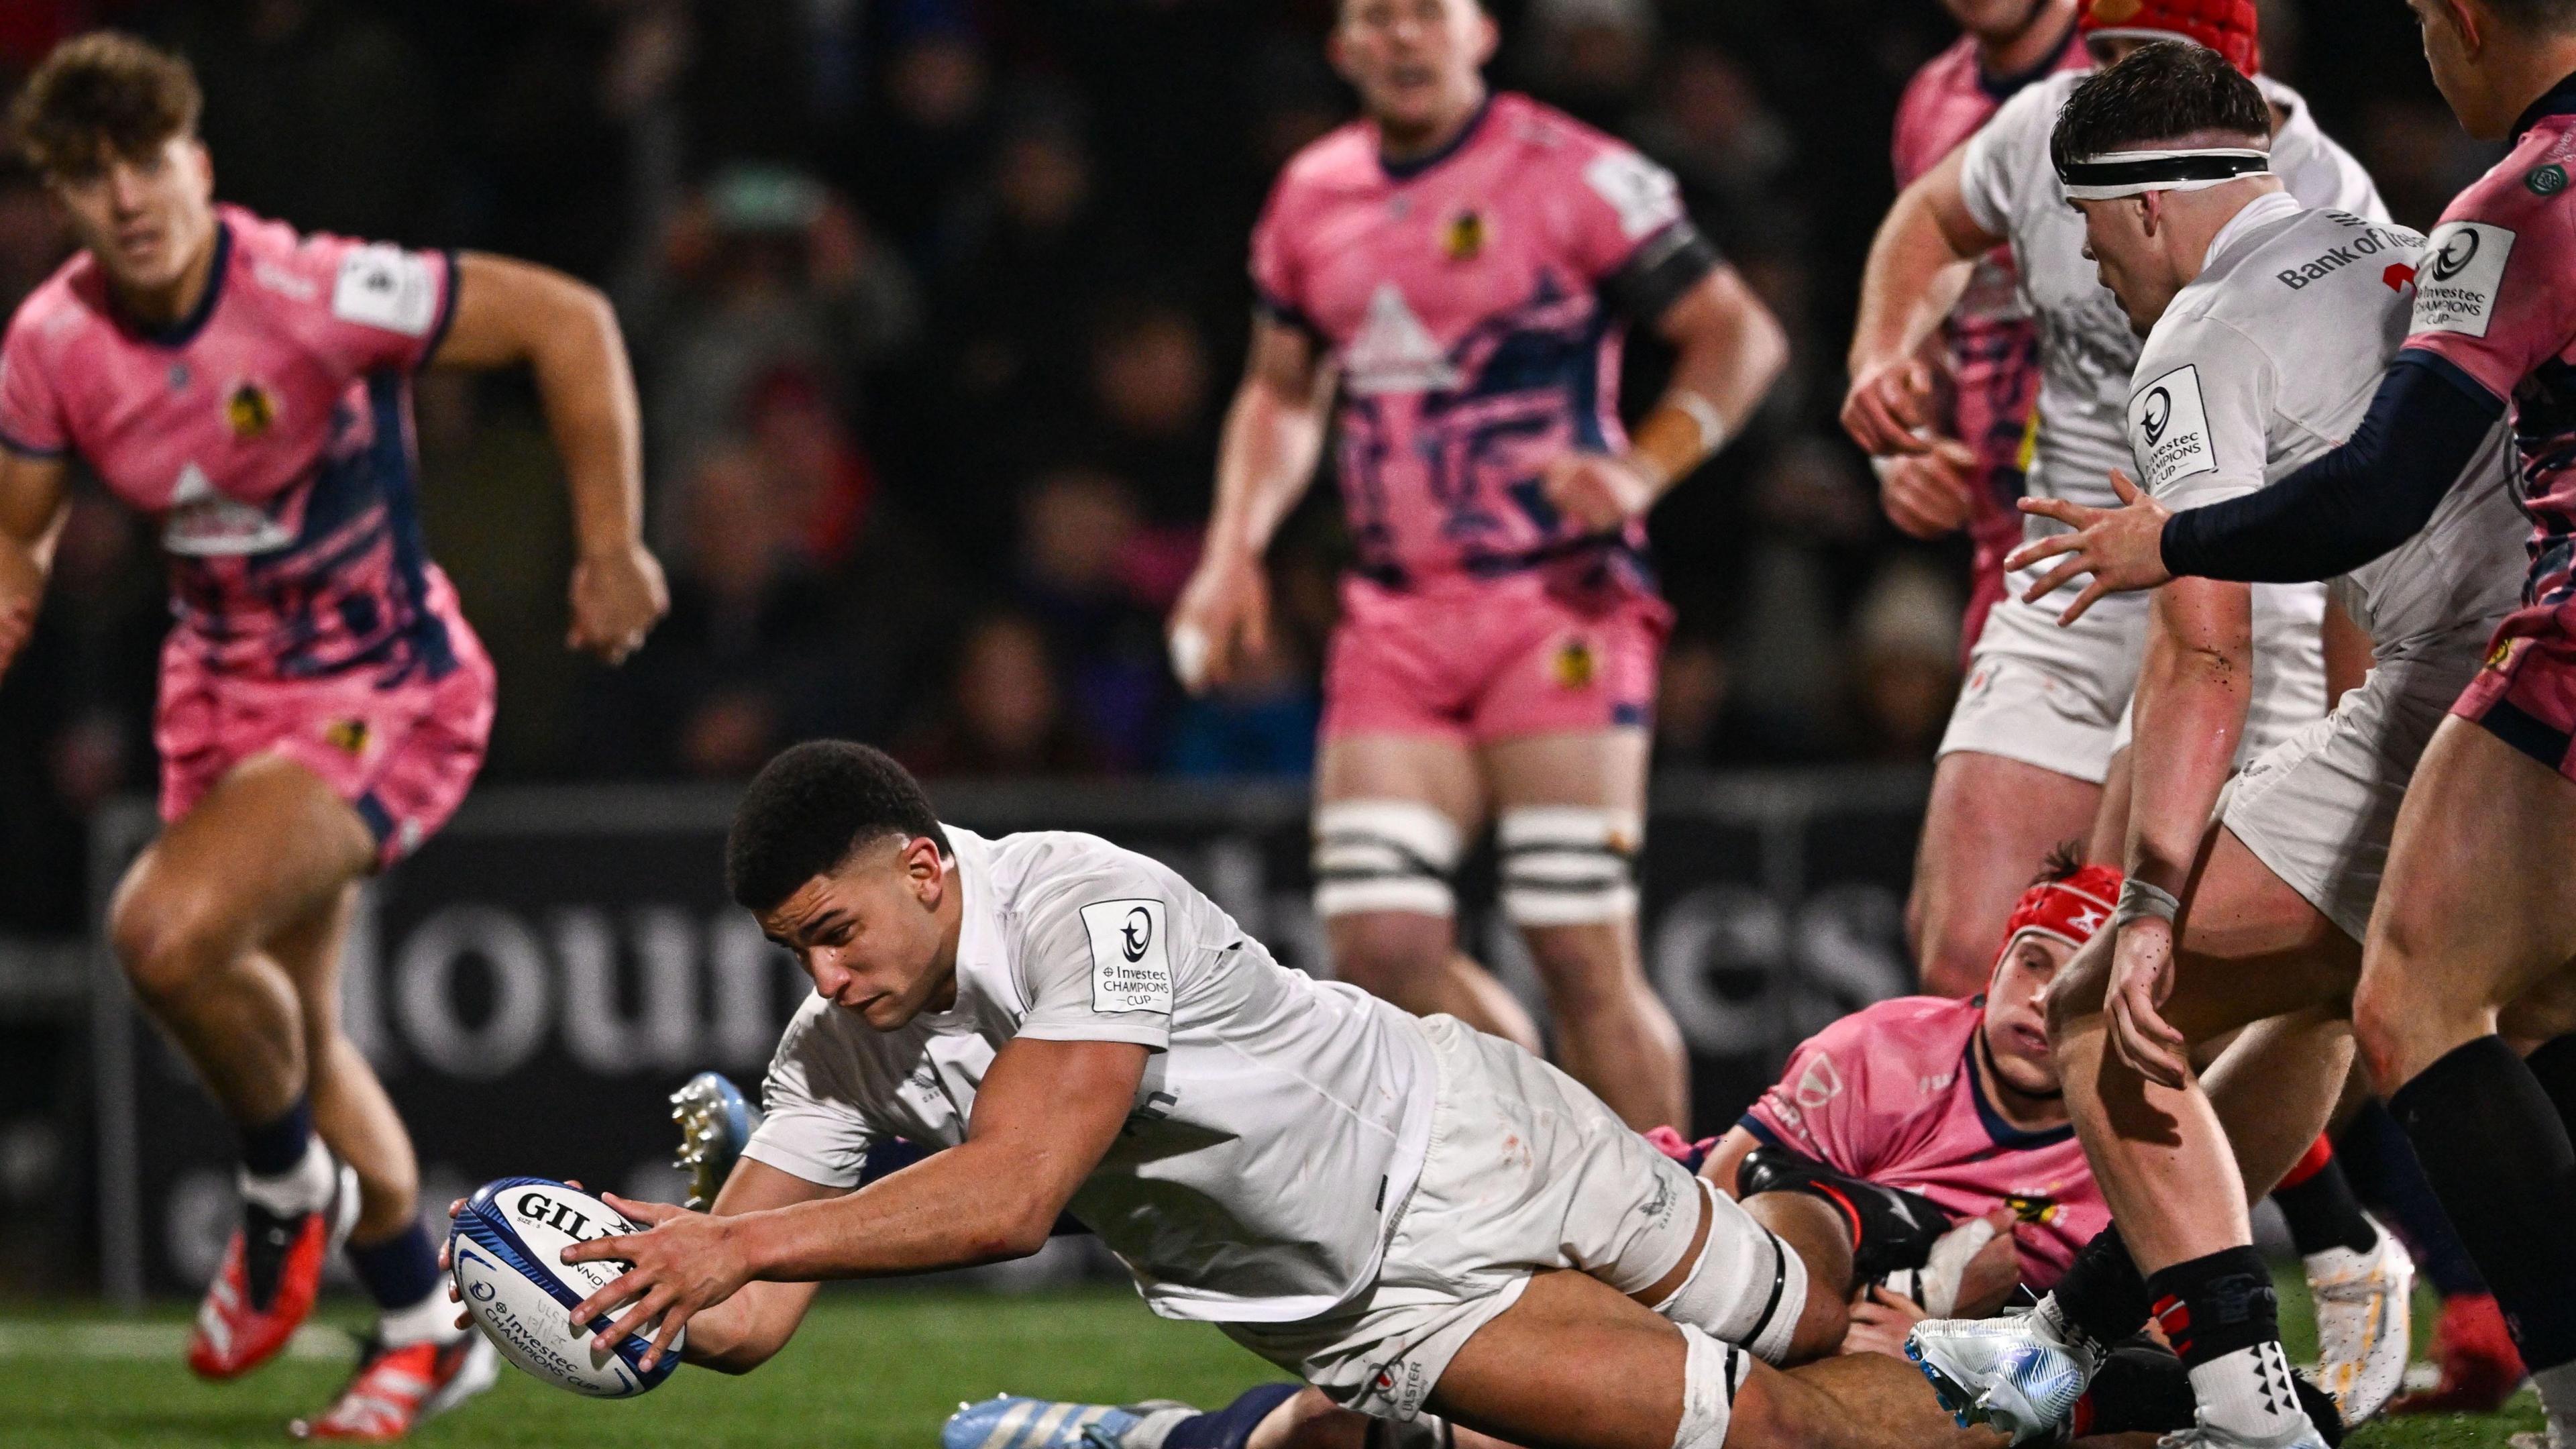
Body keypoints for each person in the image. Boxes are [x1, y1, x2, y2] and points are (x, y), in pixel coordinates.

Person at [483, 739, 2006, 1449]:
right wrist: (635, 1281)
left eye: (834, 930)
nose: (822, 975)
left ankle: (1869, 1228)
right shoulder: (835, 1049)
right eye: (791, 950)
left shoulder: (1086, 898)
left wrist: (737, 1237)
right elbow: (742, 1321)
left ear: (926, 865)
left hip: (1469, 1139)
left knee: (1795, 1310)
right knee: (1758, 1436)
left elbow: (1015, 1194)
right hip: (1381, 1308)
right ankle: (1993, 1372)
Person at [0, 33, 667, 1441]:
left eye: (147, 159)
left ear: (201, 162)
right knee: (299, 1025)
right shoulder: (52, 342)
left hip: (382, 690)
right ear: (61, 197)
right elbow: (24, 529)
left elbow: (567, 321)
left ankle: (282, 1183)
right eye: (89, 173)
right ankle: (427, 1329)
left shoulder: (310, 290)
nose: (125, 196)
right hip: (218, 698)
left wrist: (610, 544)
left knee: (166, 934)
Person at [1898, 42, 2540, 1447]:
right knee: (2317, 998)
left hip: (2465, 698)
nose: (2088, 256)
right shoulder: (2395, 240)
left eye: (2083, 224)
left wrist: (2146, 898)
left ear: (2139, 211)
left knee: (2095, 1012)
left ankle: (2241, 1397)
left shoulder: (2194, 342)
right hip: (2529, 671)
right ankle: (2065, 1339)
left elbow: (2204, 654)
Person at [915, 851, 2347, 1449]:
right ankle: (1158, 1436)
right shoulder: (1893, 1052)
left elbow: (2149, 1261)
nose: (2046, 1003)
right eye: (2034, 964)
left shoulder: (2137, 1128)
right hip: (1685, 1229)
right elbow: (1748, 1193)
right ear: (1999, 969)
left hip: (1926, 1339)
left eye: (2077, 977)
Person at [1164, 0, 1790, 1132]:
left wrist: (1644, 471)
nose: (1403, 39)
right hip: (1394, 615)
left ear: (1482, 31)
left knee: (1578, 948)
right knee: (1381, 949)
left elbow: (1739, 336)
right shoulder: (1313, 194)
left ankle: (1682, 1230)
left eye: (1426, 13)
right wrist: (1232, 549)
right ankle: (1569, 1165)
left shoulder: (1573, 174)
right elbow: (1280, 389)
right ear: (1342, 44)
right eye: (1375, 17)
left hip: (1555, 605)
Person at [1842, 0, 2378, 999]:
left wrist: (2361, 720)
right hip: (2071, 577)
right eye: (2106, 61)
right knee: (1969, 957)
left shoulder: (2329, 209)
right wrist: (1884, 355)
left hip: (2243, 595)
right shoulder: (2048, 129)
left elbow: (2350, 531)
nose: (2118, 93)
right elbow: (1930, 216)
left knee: (2156, 981)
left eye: (2149, 63)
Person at [1875, 0, 2084, 672]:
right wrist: (1901, 451)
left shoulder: (2137, 66)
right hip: (2007, 545)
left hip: (2149, 526)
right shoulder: (1929, 102)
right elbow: (1924, 319)